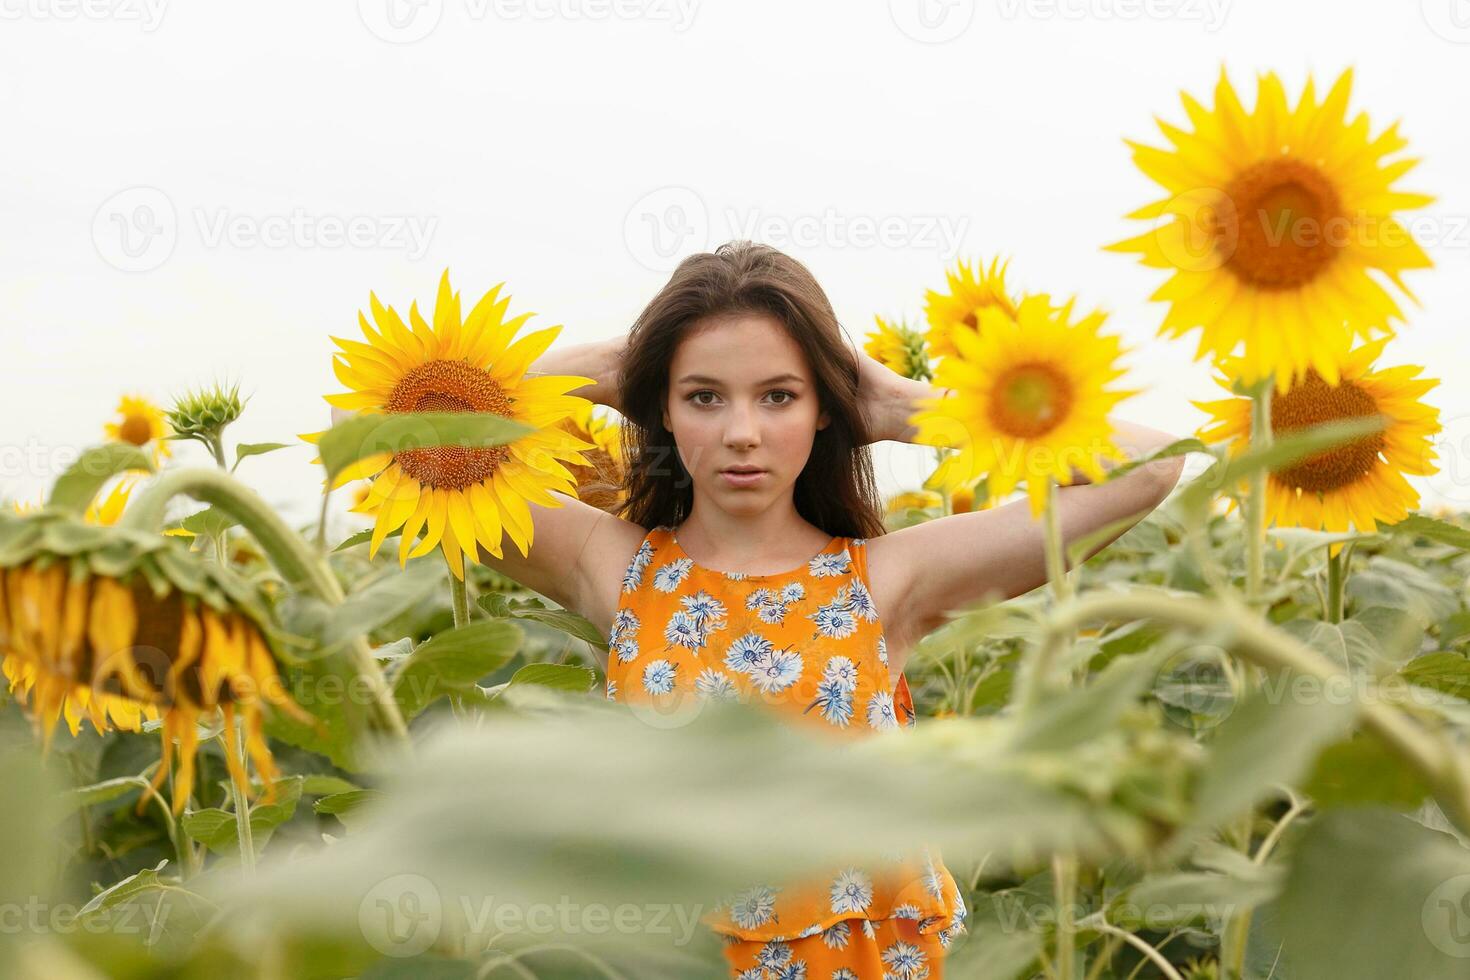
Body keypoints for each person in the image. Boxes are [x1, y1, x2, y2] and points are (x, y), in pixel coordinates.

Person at [475, 240, 1186, 978]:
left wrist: (900, 406)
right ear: (661, 406)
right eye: (704, 396)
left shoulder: (885, 580)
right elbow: (401, 433)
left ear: (823, 410)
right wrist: (603, 370)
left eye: (778, 395)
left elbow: (1153, 465)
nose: (741, 431)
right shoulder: (615, 568)